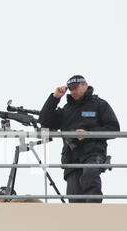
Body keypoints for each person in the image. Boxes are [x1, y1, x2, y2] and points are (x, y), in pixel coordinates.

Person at [38, 75, 120, 203]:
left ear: (85, 85)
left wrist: (89, 134)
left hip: (93, 154)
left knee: (90, 175)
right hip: (72, 159)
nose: (73, 92)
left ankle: (94, 215)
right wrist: (55, 98)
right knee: (75, 200)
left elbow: (114, 128)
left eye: (76, 88)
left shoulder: (99, 105)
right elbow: (44, 120)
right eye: (71, 89)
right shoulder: (66, 110)